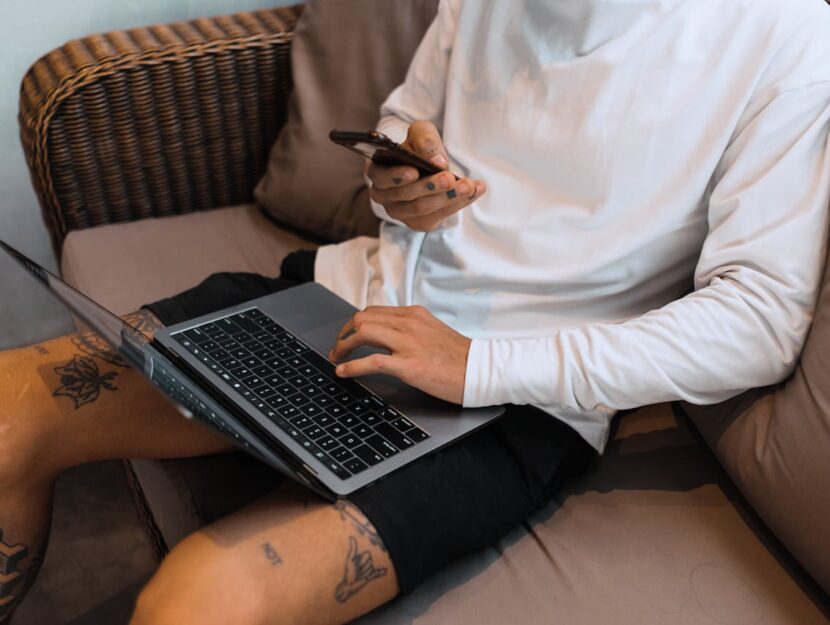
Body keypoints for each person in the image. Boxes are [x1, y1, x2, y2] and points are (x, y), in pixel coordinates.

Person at [2, 0, 830, 623]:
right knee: (11, 411)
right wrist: (403, 185)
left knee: (200, 598)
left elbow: (759, 319)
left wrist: (479, 364)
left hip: (522, 400)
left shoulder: (785, 33)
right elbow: (410, 119)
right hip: (351, 298)